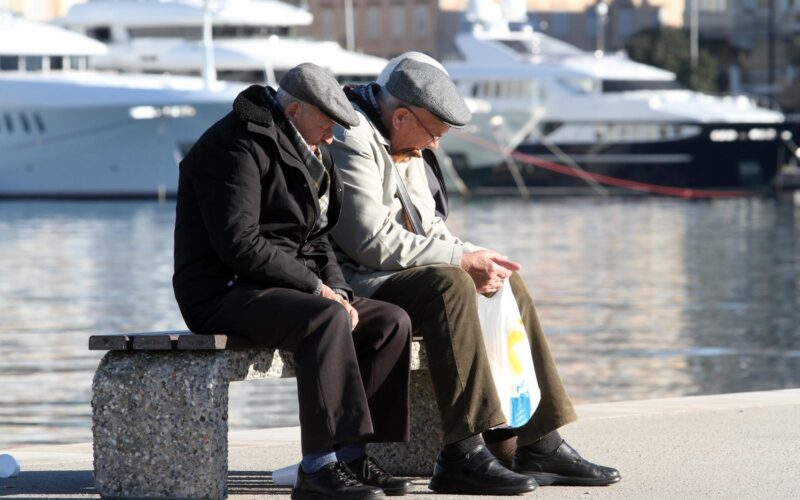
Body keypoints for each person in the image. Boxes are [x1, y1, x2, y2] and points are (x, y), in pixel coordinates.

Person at [327, 54, 621, 495]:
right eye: (434, 133)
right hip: (355, 280)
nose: (435, 145)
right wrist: (460, 262)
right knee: (450, 283)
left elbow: (429, 229)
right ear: (401, 116)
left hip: (396, 272)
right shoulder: (351, 137)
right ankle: (462, 454)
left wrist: (478, 257)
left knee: (505, 279)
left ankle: (539, 441)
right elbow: (371, 243)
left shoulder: (404, 137)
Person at [172, 63, 414, 500]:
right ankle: (318, 469)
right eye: (327, 124)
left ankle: (353, 456)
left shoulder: (310, 148)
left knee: (389, 322)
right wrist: (317, 290)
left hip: (281, 286)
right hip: (223, 289)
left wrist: (340, 291)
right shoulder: (233, 145)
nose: (331, 137)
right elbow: (239, 244)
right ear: (295, 110)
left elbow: (318, 238)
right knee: (324, 318)